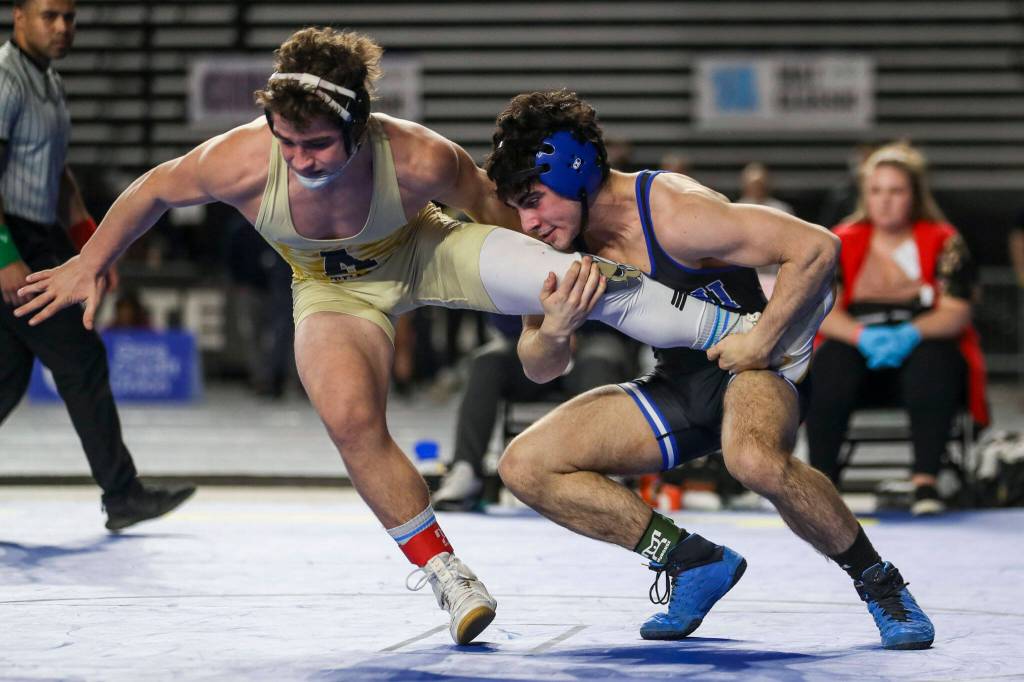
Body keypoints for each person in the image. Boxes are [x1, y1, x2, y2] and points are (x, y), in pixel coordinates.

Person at [13, 29, 816, 645]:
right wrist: (91, 259)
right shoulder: (241, 163)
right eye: (287, 143)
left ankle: (736, 331)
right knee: (348, 420)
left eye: (318, 145)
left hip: (429, 248)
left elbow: (512, 220)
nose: (301, 161)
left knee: (562, 279)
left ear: (359, 124)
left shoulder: (422, 157)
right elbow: (154, 189)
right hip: (330, 286)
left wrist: (555, 277)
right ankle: (447, 573)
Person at [484, 89, 934, 650]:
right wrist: (553, 330)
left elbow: (816, 248)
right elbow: (540, 366)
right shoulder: (555, 248)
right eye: (518, 207)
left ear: (575, 171)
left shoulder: (672, 210)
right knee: (525, 465)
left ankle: (882, 585)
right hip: (680, 380)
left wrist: (763, 342)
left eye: (534, 200)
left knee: (752, 459)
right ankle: (691, 561)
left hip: (754, 363)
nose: (528, 222)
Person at [0, 0, 194, 531]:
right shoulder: (6, 80)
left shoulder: (48, 83)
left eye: (69, 17)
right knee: (80, 362)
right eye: (49, 16)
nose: (63, 27)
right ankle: (123, 494)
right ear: (19, 17)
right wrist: (4, 254)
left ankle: (122, 493)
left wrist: (92, 246)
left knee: (7, 377)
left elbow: (55, 176)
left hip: (37, 237)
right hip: (14, 239)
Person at [805, 142, 989, 515]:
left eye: (896, 191)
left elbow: (956, 311)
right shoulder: (840, 239)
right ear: (865, 195)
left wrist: (911, 333)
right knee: (830, 361)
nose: (885, 200)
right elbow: (824, 310)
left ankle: (925, 482)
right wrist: (862, 336)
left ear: (914, 195)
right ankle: (819, 484)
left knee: (934, 359)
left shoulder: (945, 241)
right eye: (876, 191)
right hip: (859, 348)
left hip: (923, 347)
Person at [431, 314, 636, 510]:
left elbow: (627, 308)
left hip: (595, 336)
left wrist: (571, 329)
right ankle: (465, 469)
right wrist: (550, 334)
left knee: (598, 363)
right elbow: (499, 312)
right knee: (486, 361)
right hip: (532, 339)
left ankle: (605, 473)